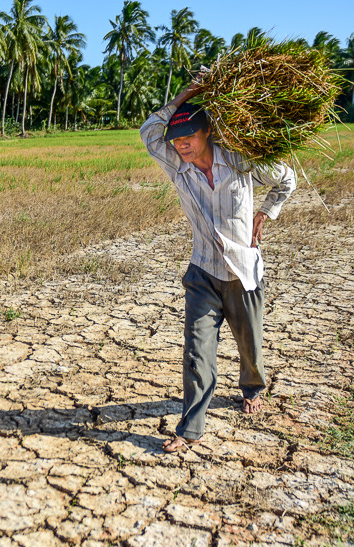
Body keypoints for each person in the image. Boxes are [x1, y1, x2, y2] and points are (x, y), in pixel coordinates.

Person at [140, 84, 296, 453]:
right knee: (196, 352)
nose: (181, 145)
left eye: (188, 136)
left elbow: (286, 179)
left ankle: (252, 388)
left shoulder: (241, 161)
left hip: (242, 273)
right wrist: (184, 97)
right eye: (176, 139)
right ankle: (190, 428)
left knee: (249, 345)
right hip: (202, 273)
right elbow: (149, 132)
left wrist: (266, 211)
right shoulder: (179, 169)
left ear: (207, 131)